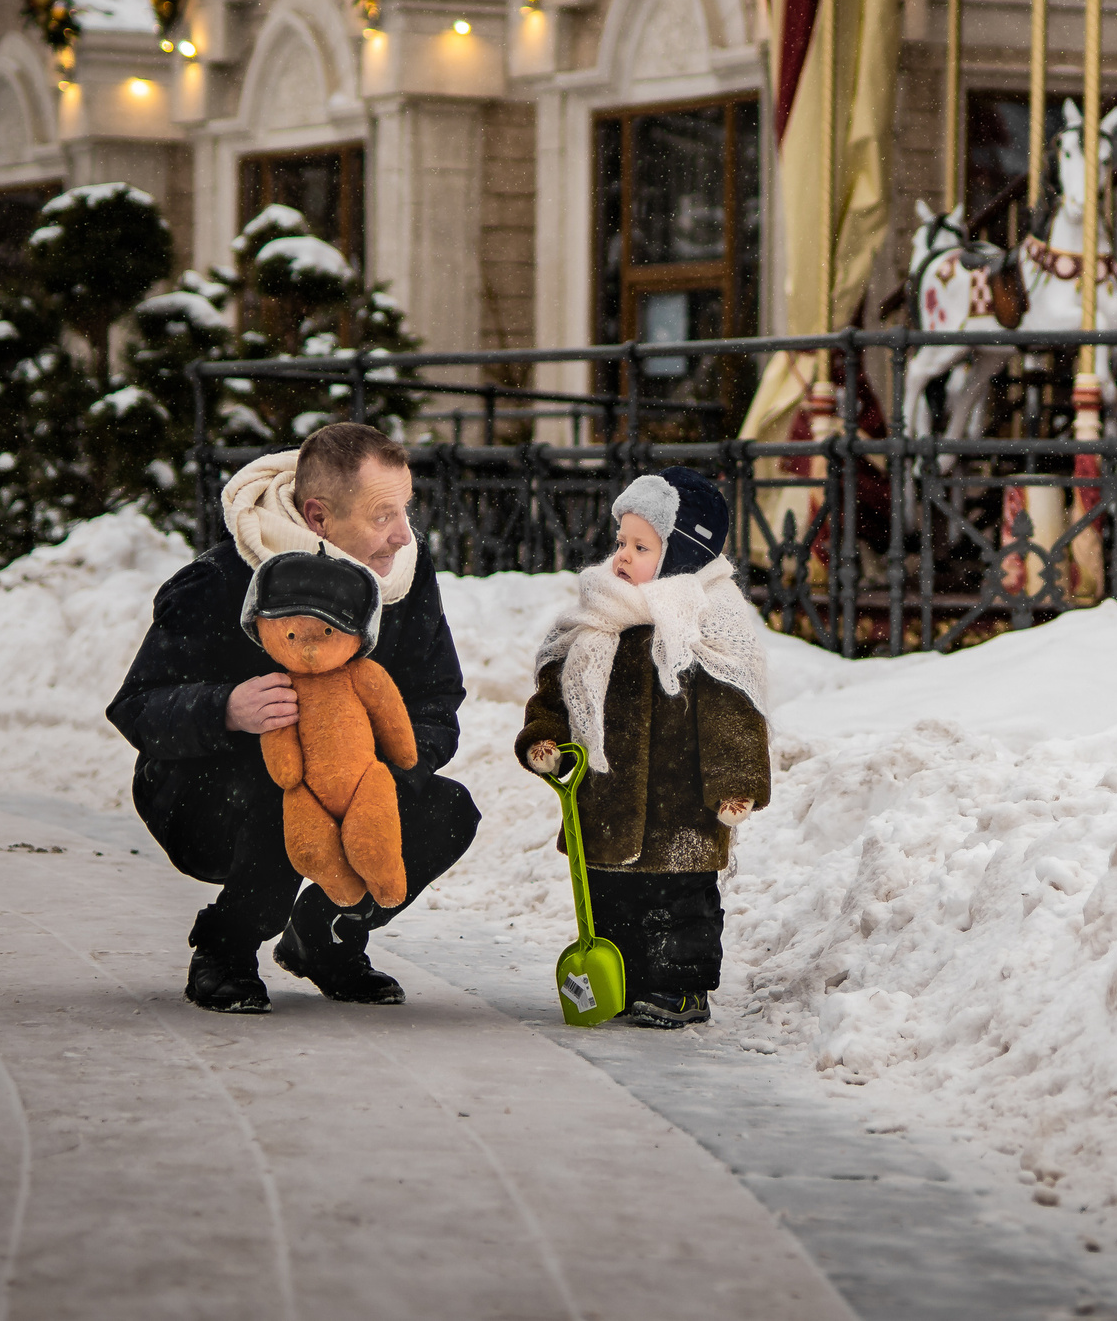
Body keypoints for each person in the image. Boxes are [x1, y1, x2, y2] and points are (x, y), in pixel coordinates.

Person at [109, 423, 479, 1014]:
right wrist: (225, 708)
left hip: (355, 776)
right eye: (384, 514)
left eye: (405, 509)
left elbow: (437, 697)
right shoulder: (223, 576)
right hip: (204, 792)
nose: (403, 534)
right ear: (318, 516)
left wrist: (375, 767)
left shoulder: (404, 574)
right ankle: (224, 950)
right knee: (280, 792)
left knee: (447, 811)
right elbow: (137, 705)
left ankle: (324, 938)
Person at [515, 468, 769, 1029]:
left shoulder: (707, 623)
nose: (622, 556)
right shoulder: (597, 619)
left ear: (680, 553)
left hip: (682, 805)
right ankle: (625, 981)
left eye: (640, 546)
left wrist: (736, 782)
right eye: (621, 542)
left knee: (680, 901)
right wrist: (545, 737)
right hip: (606, 798)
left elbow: (733, 711)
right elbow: (558, 691)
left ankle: (681, 988)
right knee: (611, 902)